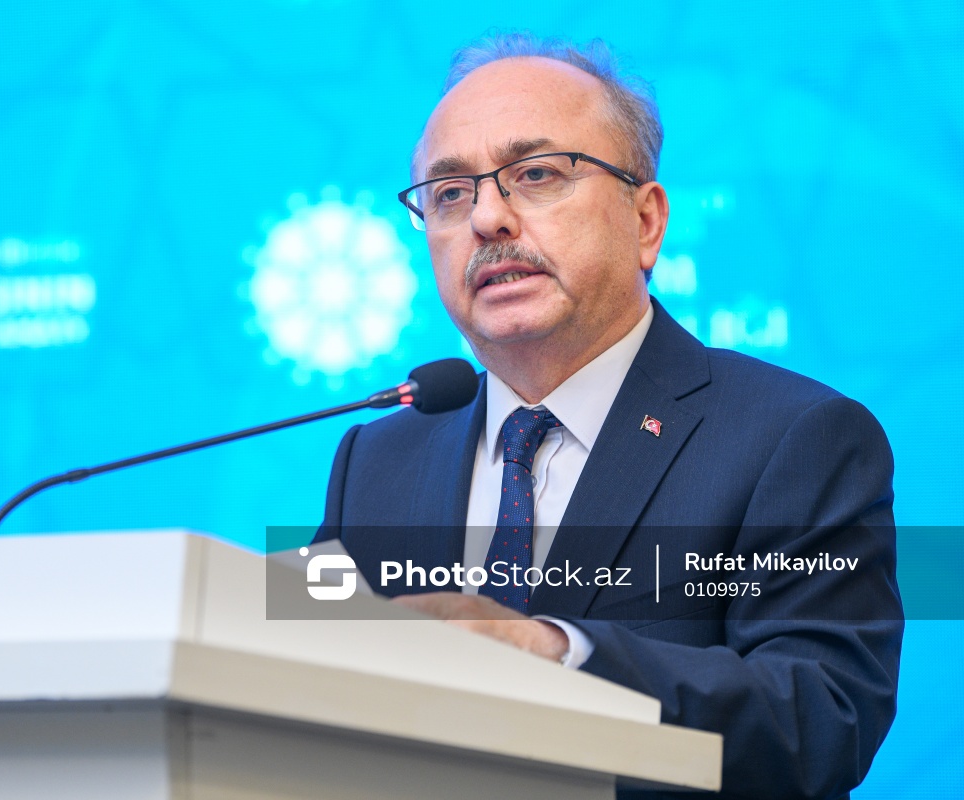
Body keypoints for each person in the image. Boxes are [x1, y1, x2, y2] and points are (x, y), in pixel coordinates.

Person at [313, 32, 901, 800]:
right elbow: (299, 689)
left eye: (536, 174)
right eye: (450, 193)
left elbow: (821, 717)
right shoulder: (375, 461)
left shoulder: (795, 437)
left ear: (645, 221)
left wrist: (555, 653)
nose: (487, 217)